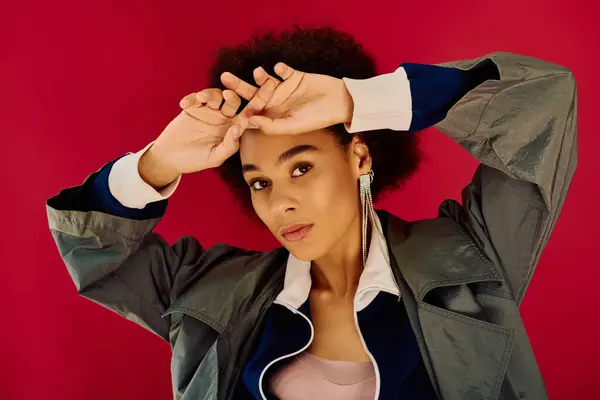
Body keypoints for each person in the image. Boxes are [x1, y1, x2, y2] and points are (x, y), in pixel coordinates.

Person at [46, 26, 578, 400]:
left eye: (301, 167)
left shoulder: (471, 259)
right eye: (260, 182)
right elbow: (97, 254)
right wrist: (159, 160)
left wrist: (356, 101)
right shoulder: (212, 290)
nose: (280, 203)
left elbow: (542, 103)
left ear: (360, 154)